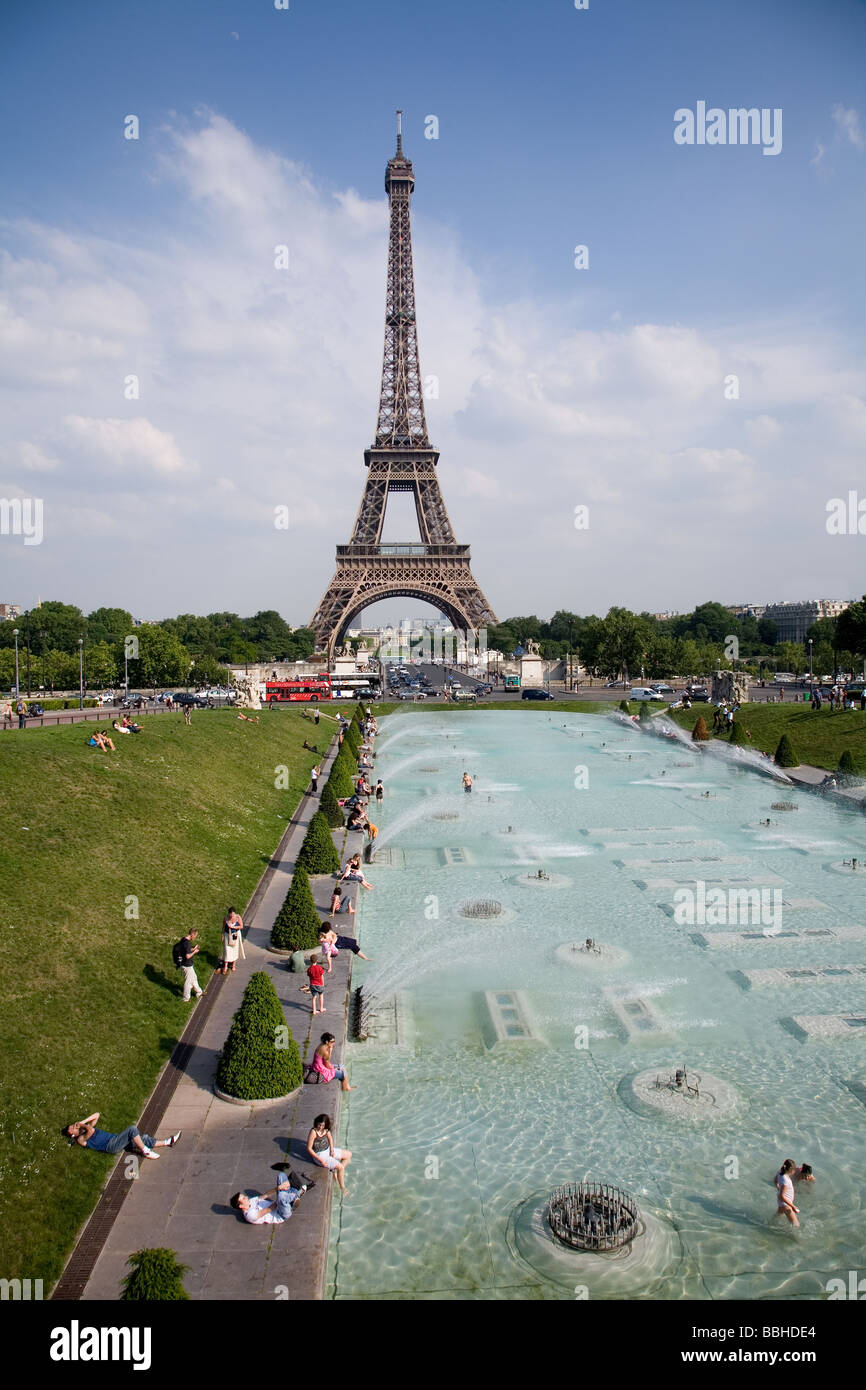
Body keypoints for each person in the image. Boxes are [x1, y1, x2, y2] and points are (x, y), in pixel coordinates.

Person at [64, 1112, 181, 1160]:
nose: (73, 1127)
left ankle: (168, 1142)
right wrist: (81, 1124)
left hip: (115, 1139)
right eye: (71, 1130)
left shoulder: (84, 1128)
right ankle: (145, 1151)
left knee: (143, 1138)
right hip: (111, 1146)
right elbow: (91, 1131)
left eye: (72, 1126)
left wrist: (82, 1121)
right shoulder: (80, 1139)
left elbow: (97, 1115)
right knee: (132, 1129)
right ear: (72, 1135)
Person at [231, 1165, 314, 1223]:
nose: (246, 1197)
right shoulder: (250, 1215)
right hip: (281, 1214)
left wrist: (278, 1188)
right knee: (282, 1197)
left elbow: (265, 1195)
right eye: (243, 1198)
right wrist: (280, 1196)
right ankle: (295, 1195)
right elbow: (269, 1209)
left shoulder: (251, 1201)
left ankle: (293, 1195)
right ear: (240, 1206)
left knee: (281, 1176)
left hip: (280, 1204)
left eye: (243, 1196)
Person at [306, 1114, 352, 1194]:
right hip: (319, 1155)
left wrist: (332, 1150)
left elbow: (330, 1139)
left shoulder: (326, 1130)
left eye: (322, 1125)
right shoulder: (313, 1132)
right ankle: (342, 1187)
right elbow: (309, 1149)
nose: (320, 1127)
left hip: (327, 1150)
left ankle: (335, 1171)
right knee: (341, 1167)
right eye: (319, 1125)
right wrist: (321, 1160)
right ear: (316, 1123)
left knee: (349, 1155)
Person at [173, 928, 203, 1000]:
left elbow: (185, 950)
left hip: (184, 963)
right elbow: (187, 956)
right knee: (188, 982)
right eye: (195, 935)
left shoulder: (183, 939)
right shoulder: (187, 943)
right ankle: (186, 998)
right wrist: (194, 952)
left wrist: (193, 949)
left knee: (194, 978)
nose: (195, 937)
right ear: (193, 934)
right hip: (187, 964)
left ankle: (199, 992)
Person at [775, 1158, 800, 1227]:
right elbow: (782, 1196)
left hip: (782, 1203)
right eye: (794, 1170)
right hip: (786, 1205)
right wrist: (793, 1206)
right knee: (796, 1225)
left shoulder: (780, 1172)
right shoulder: (785, 1180)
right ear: (791, 1170)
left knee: (777, 1218)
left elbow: (775, 1181)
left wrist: (779, 1189)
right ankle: (795, 1238)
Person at [220, 908, 245, 975]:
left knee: (235, 949)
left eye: (233, 914)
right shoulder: (226, 918)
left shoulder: (238, 917)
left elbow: (241, 926)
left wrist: (233, 927)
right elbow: (223, 927)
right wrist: (222, 935)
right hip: (227, 935)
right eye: (231, 914)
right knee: (227, 950)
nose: (232, 916)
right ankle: (225, 966)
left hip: (235, 935)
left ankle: (233, 965)